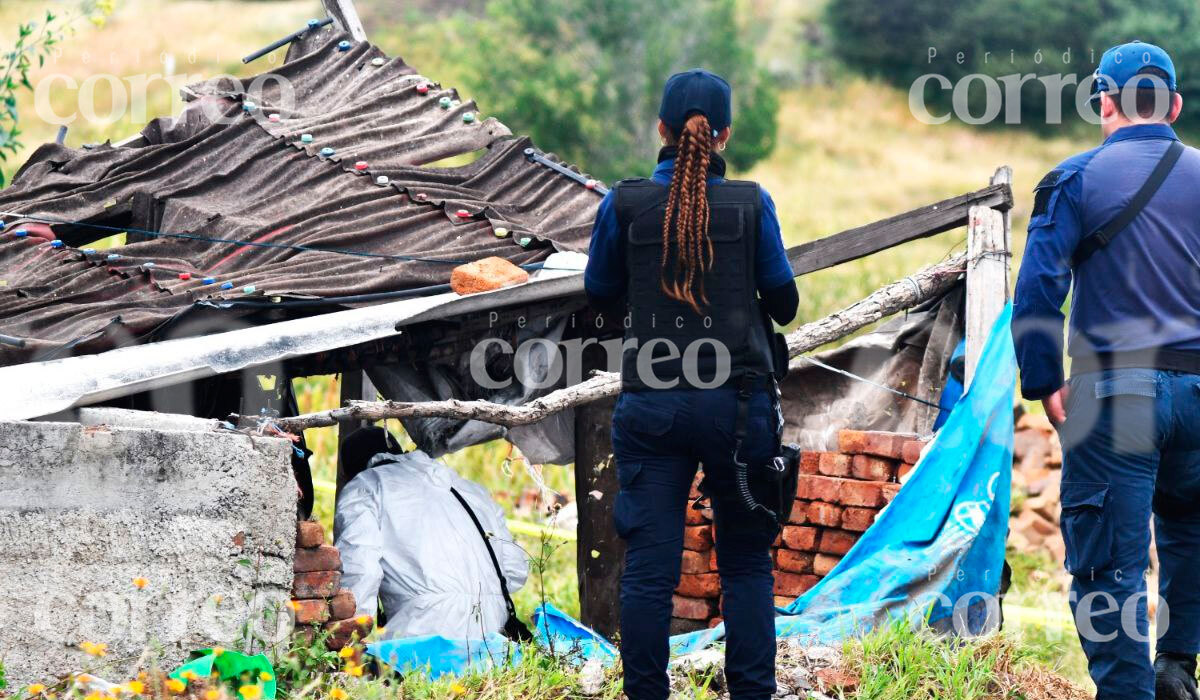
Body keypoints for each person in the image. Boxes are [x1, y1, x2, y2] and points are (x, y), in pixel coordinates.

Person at [585, 69, 799, 700]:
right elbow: (784, 306)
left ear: (660, 130)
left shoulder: (621, 204)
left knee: (649, 570)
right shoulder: (752, 204)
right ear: (725, 135)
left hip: (652, 405)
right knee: (745, 565)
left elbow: (598, 294)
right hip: (738, 411)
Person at [1013, 41, 1200, 700]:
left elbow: (1038, 291)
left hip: (1114, 394)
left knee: (1109, 572)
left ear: (1104, 101)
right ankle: (1178, 669)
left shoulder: (1073, 179)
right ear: (1174, 105)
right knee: (1189, 535)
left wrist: (1042, 382)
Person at [333, 427, 529, 640]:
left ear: (350, 470)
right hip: (493, 629)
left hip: (421, 629)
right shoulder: (471, 490)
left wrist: (354, 638)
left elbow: (360, 568)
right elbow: (515, 570)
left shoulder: (365, 486)